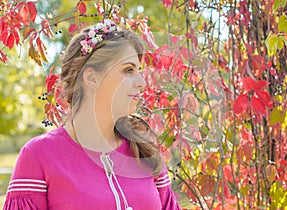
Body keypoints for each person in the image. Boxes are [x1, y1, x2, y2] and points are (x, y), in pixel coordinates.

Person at [3, 19, 180, 210]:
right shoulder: (39, 156)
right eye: (128, 70)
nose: (141, 82)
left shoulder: (146, 152)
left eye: (138, 71)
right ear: (91, 77)